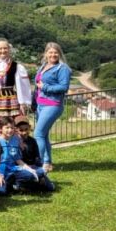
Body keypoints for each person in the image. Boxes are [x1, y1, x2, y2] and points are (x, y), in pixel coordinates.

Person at [34, 42, 71, 172]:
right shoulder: (43, 66)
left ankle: (37, 163)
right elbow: (37, 86)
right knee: (44, 135)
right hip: (40, 104)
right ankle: (47, 163)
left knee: (38, 134)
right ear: (46, 54)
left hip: (52, 104)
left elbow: (64, 87)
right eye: (50, 52)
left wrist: (45, 87)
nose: (53, 55)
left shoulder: (62, 68)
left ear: (59, 54)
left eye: (55, 52)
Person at [0, 38, 32, 130]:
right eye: (0, 48)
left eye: (5, 48)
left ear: (9, 49)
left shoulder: (16, 66)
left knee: (10, 124)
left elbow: (21, 86)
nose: (3, 51)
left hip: (9, 100)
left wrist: (22, 103)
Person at [0, 118, 55, 195]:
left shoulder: (25, 141)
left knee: (39, 172)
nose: (10, 130)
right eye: (7, 128)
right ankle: (12, 185)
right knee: (1, 192)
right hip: (1, 171)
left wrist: (31, 170)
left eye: (11, 128)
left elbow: (18, 159)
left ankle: (19, 184)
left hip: (17, 169)